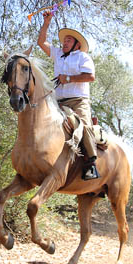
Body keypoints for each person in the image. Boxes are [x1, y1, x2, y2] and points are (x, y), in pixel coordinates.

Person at [37, 11, 99, 180]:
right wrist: (46, 23)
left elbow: (90, 77)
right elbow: (41, 42)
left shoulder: (83, 57)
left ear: (77, 45)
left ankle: (90, 164)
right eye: (64, 40)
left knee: (84, 125)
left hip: (78, 101)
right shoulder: (57, 54)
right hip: (58, 101)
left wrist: (69, 78)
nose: (65, 42)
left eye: (69, 40)